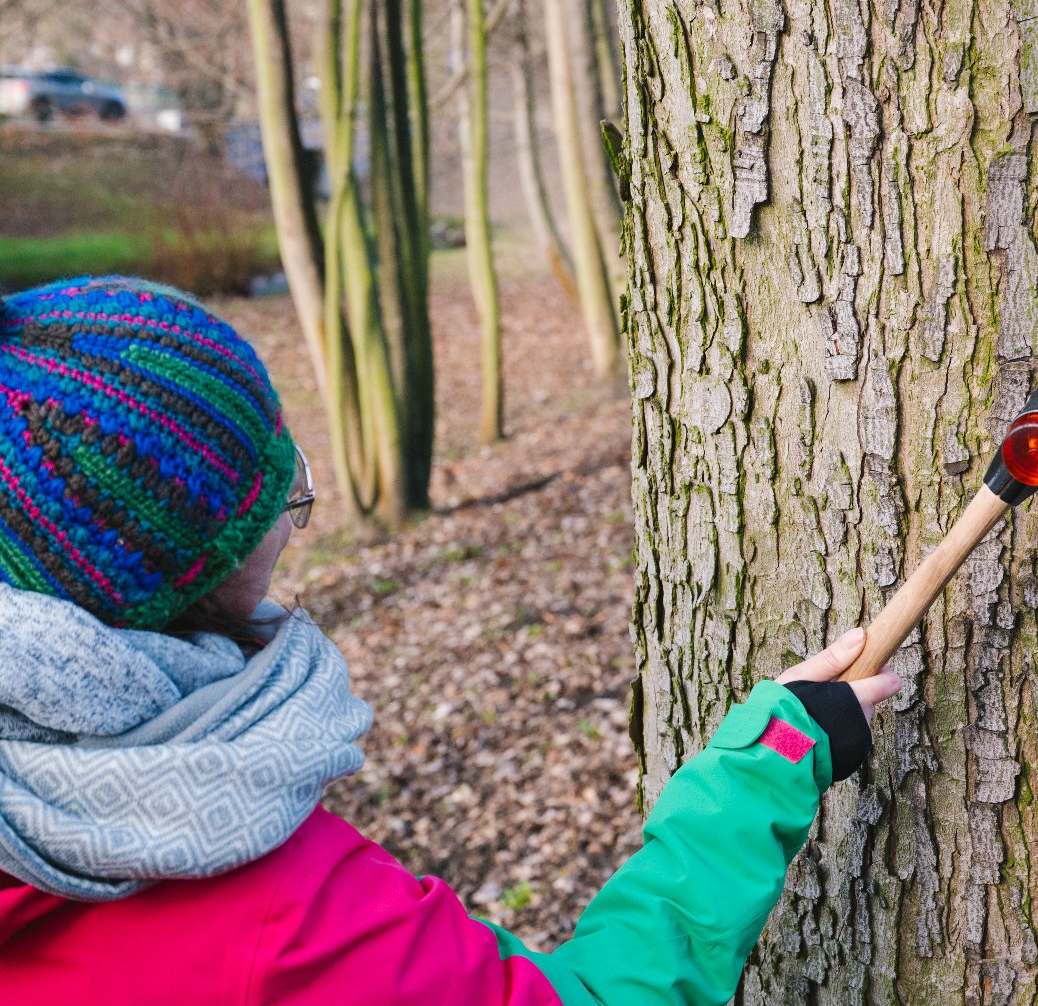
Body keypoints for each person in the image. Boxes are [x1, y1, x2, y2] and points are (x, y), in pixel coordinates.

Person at [0, 276, 902, 1003]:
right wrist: (760, 767)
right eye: (280, 488)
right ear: (196, 570)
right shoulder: (279, 925)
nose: (292, 509)